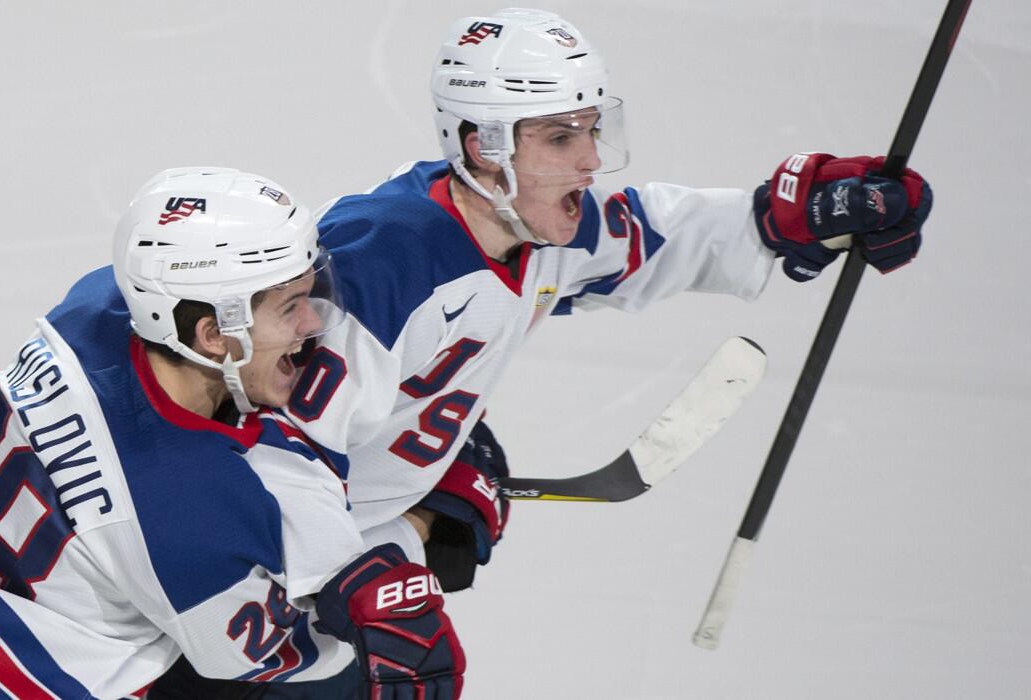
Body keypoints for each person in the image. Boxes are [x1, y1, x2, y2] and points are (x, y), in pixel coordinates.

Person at [283, 6, 933, 591]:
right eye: (562, 138)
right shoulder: (380, 260)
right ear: (486, 148)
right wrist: (409, 532)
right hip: (247, 591)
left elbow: (648, 237)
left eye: (594, 129)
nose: (592, 160)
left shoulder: (525, 222)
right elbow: (260, 472)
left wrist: (786, 220)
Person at [0, 168, 466, 700]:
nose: (312, 324)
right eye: (289, 307)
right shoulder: (186, 517)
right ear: (212, 336)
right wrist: (421, 527)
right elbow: (282, 661)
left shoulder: (98, 308)